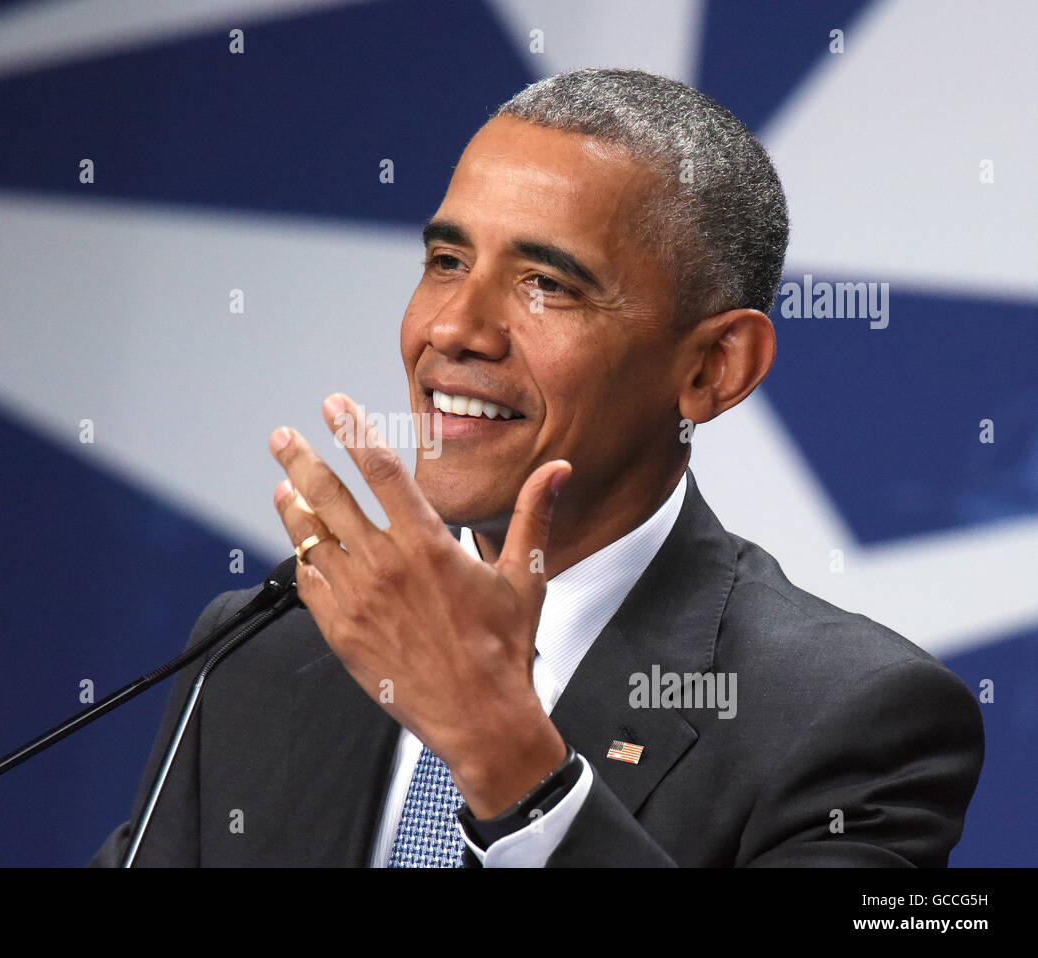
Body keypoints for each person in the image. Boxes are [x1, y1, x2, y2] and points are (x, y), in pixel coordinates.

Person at [91, 68, 984, 867]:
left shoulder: (856, 716)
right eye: (446, 261)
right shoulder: (263, 651)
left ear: (714, 369)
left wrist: (506, 758)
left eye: (547, 283)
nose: (453, 329)